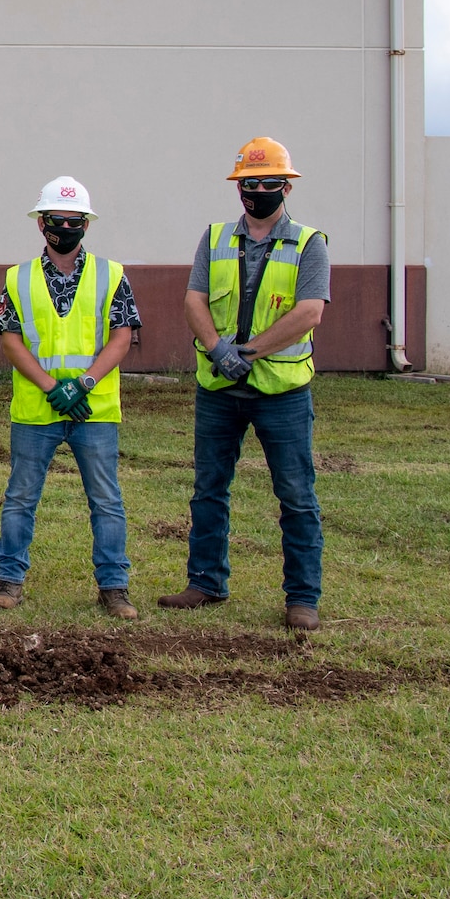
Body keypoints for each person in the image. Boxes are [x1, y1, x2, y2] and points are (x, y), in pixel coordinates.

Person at [161, 137, 329, 631]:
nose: (257, 190)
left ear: (286, 186)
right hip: (219, 390)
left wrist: (248, 353)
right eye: (249, 183)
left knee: (296, 496)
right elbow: (194, 300)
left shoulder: (309, 243)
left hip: (282, 393)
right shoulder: (214, 238)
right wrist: (218, 351)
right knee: (208, 490)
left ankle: (302, 598)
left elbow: (308, 312)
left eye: (268, 183)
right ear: (238, 187)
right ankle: (205, 582)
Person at [0, 178, 142, 619]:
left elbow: (122, 336)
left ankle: (114, 587)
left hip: (94, 410)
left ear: (86, 225)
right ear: (42, 224)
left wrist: (84, 384)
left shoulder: (112, 275)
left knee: (106, 501)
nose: (67, 227)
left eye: (75, 221)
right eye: (58, 220)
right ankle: (9, 580)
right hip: (38, 410)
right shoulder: (17, 278)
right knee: (20, 498)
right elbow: (11, 341)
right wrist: (54, 388)